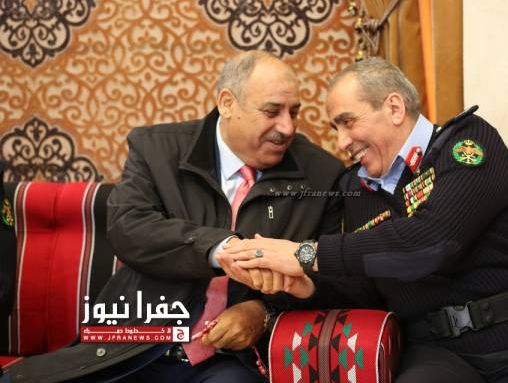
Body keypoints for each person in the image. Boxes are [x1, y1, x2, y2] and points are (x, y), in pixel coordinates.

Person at [6, 51, 380, 383]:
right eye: (272, 112)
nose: (288, 127)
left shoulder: (322, 176)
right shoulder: (156, 149)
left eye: (293, 112)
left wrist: (262, 312)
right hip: (132, 342)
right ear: (227, 103)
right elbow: (127, 227)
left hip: (232, 360)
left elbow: (330, 279)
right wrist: (220, 249)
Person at [224, 57, 508, 382]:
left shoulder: (466, 143)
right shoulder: (355, 188)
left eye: (348, 122)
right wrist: (306, 285)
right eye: (336, 129)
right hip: (439, 352)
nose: (341, 142)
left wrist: (304, 253)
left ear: (394, 107)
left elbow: (431, 243)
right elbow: (367, 289)